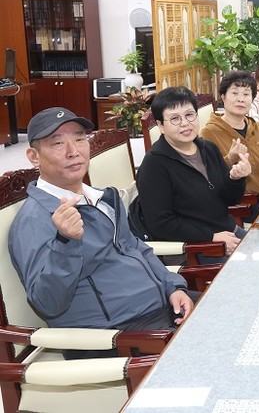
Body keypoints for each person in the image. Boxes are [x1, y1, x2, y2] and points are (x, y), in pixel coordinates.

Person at [9, 107, 195, 346]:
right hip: (116, 334)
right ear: (34, 157)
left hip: (160, 307)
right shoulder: (35, 220)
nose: (73, 152)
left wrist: (173, 287)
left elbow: (135, 247)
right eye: (57, 143)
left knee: (234, 309)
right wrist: (65, 243)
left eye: (79, 139)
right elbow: (48, 303)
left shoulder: (100, 198)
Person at [136, 87, 251, 261]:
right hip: (193, 248)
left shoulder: (208, 149)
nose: (184, 123)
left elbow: (230, 200)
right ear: (160, 126)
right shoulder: (154, 165)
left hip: (227, 233)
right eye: (175, 118)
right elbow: (160, 223)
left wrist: (236, 178)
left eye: (189, 115)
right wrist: (210, 237)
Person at [201, 70, 259, 221]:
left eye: (246, 94)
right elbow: (209, 179)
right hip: (245, 204)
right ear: (223, 97)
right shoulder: (210, 133)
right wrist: (230, 159)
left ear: (252, 99)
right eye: (234, 93)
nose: (240, 99)